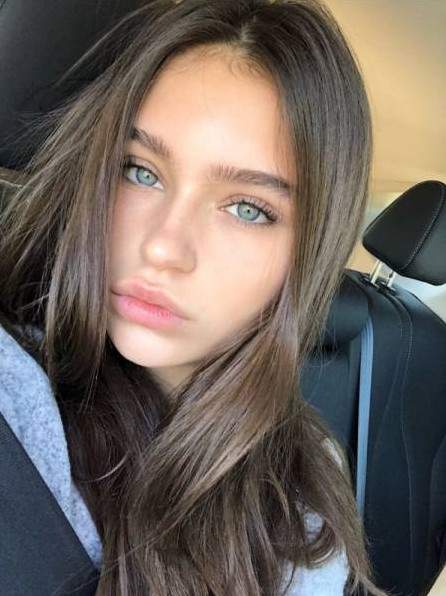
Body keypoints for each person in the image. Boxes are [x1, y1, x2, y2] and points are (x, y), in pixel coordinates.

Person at [0, 0, 389, 594]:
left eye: (248, 208)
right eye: (140, 171)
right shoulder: (19, 397)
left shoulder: (304, 487)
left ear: (307, 255)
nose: (163, 247)